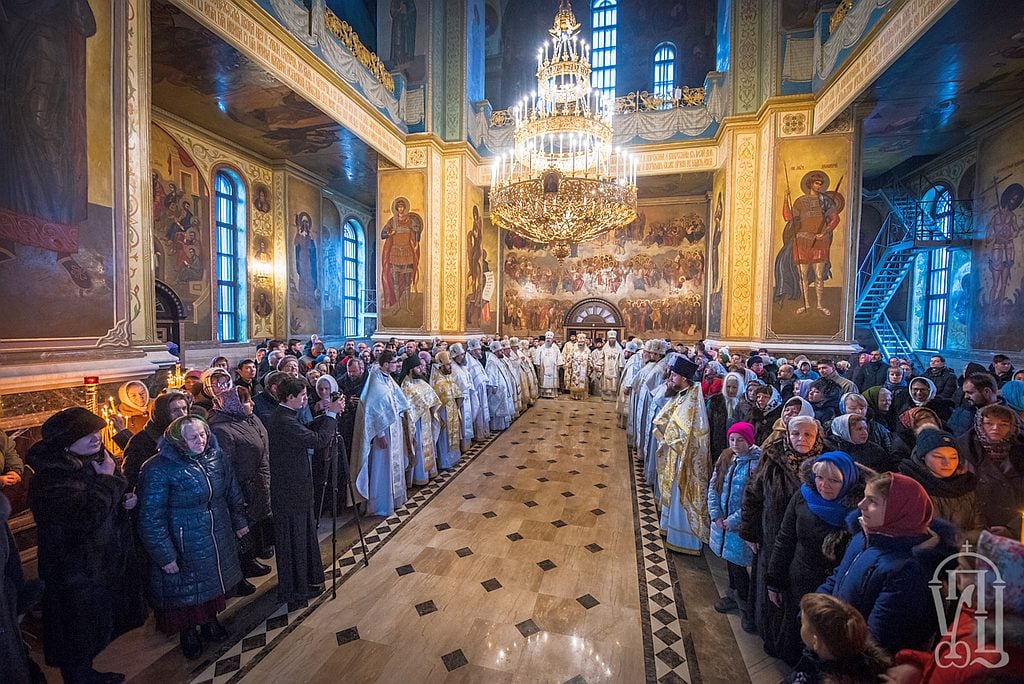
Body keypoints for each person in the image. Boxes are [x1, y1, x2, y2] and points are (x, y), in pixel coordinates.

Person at [26, 407, 136, 683]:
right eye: (85, 434)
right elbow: (84, 518)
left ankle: (86, 672)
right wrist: (109, 482)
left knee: (90, 629)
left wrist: (123, 501)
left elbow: (107, 503)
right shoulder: (51, 478)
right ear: (65, 442)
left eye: (96, 432)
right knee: (74, 633)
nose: (95, 438)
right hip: (72, 568)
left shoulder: (95, 461)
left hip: (97, 563)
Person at [136, 416, 248, 659]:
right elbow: (150, 518)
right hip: (182, 537)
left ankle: (210, 620)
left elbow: (232, 491)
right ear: (178, 441)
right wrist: (165, 555)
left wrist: (239, 522)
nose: (201, 440)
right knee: (186, 589)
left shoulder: (215, 457)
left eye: (203, 434)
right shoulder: (157, 468)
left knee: (211, 580)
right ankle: (188, 632)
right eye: (193, 437)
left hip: (216, 529)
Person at [818, 472, 957, 655]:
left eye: (872, 501)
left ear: (899, 511)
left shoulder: (909, 569)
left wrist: (834, 648)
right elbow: (839, 576)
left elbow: (879, 638)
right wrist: (816, 610)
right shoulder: (865, 536)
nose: (861, 505)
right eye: (864, 497)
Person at [740, 414, 825, 659]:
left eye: (808, 434)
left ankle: (795, 643)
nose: (802, 439)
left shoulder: (825, 461)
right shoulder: (773, 456)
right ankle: (768, 633)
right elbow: (753, 494)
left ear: (817, 436)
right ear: (787, 434)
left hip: (807, 545)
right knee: (769, 588)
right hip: (772, 533)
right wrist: (750, 531)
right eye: (796, 433)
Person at [766, 451, 863, 665]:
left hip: (832, 589)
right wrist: (774, 580)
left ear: (847, 481)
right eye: (819, 478)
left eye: (833, 480)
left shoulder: (858, 513)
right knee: (795, 629)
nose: (824, 485)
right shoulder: (804, 496)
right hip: (799, 578)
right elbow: (786, 537)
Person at [266, 377, 342, 604]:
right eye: (302, 396)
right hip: (291, 490)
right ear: (289, 397)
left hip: (295, 488)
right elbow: (317, 440)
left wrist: (323, 416)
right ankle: (296, 588)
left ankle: (307, 579)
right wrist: (331, 416)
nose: (306, 399)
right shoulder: (283, 420)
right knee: (294, 539)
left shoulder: (286, 416)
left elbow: (303, 430)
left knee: (302, 535)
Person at [207, 387, 273, 577]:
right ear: (233, 405)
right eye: (246, 401)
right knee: (243, 526)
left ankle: (256, 553)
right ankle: (245, 565)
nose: (251, 404)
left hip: (259, 478)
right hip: (243, 484)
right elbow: (226, 465)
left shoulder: (249, 418)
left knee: (257, 520)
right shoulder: (220, 429)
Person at [707, 422, 761, 633]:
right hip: (723, 520)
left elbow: (753, 500)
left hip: (740, 525)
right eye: (732, 440)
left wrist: (733, 520)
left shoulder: (756, 464)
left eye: (740, 440)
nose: (736, 444)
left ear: (750, 441)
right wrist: (716, 514)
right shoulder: (726, 458)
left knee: (740, 566)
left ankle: (746, 605)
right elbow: (714, 486)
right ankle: (733, 594)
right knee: (730, 561)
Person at [653, 355, 710, 554]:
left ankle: (684, 539)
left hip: (685, 457)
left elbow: (687, 430)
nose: (671, 378)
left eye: (675, 375)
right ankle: (669, 528)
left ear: (684, 378)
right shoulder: (682, 393)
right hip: (675, 453)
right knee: (672, 491)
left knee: (681, 494)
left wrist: (671, 436)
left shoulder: (693, 398)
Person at [351, 352, 412, 516]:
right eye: (393, 362)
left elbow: (398, 400)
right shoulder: (376, 384)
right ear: (385, 365)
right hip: (384, 434)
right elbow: (373, 413)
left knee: (393, 465)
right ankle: (381, 505)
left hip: (393, 429)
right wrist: (380, 436)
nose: (396, 365)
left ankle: (394, 498)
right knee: (382, 467)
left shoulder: (387, 379)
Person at [786, 593, 890, 684]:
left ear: (815, 641)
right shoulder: (864, 662)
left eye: (803, 622)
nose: (800, 624)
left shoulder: (816, 676)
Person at [899, 428, 984, 534]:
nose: (947, 463)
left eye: (953, 458)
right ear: (923, 457)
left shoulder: (966, 483)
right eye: (938, 456)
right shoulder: (905, 487)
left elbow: (979, 527)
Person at [956, 404, 1024, 531]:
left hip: (1016, 525)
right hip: (977, 525)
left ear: (1012, 426)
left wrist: (1014, 528)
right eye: (988, 423)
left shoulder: (1020, 450)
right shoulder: (964, 451)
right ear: (980, 425)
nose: (995, 428)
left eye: (1004, 424)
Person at [122, 390, 190, 489]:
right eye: (175, 410)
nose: (182, 414)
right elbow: (131, 477)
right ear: (162, 414)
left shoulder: (191, 433)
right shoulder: (140, 441)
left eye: (184, 408)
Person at [400, 355, 441, 486]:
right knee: (418, 447)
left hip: (426, 420)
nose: (421, 369)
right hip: (416, 423)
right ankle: (418, 476)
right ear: (411, 369)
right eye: (417, 367)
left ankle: (429, 472)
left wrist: (433, 408)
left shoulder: (422, 382)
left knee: (427, 445)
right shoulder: (406, 386)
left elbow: (432, 398)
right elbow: (408, 407)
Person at [825, 414, 897, 472]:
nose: (865, 433)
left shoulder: (876, 451)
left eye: (865, 428)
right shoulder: (831, 448)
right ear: (845, 431)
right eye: (859, 429)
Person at [430, 351, 464, 470]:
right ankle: (444, 462)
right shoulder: (437, 381)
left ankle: (454, 458)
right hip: (443, 414)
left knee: (453, 434)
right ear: (441, 366)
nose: (450, 367)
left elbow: (457, 393)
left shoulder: (449, 377)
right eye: (448, 365)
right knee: (444, 438)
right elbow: (436, 401)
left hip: (453, 410)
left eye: (450, 364)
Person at [707, 372, 749, 463]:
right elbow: (709, 424)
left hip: (739, 446)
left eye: (734, 387)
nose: (731, 390)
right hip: (717, 444)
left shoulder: (745, 403)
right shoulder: (715, 401)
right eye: (728, 386)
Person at [599, 331, 625, 400]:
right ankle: (605, 396)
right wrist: (600, 365)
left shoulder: (619, 348)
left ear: (615, 339)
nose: (612, 340)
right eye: (610, 338)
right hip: (606, 367)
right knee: (606, 381)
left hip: (615, 367)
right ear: (608, 339)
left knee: (614, 381)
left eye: (613, 338)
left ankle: (614, 396)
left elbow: (621, 358)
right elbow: (601, 357)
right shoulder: (605, 348)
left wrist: (620, 366)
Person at [566, 336, 592, 400]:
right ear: (577, 342)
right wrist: (569, 367)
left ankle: (582, 396)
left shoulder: (588, 351)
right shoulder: (573, 350)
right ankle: (574, 396)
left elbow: (590, 361)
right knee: (575, 383)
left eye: (582, 342)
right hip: (575, 370)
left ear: (584, 342)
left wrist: (589, 369)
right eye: (579, 342)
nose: (581, 343)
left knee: (583, 383)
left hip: (583, 370)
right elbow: (569, 359)